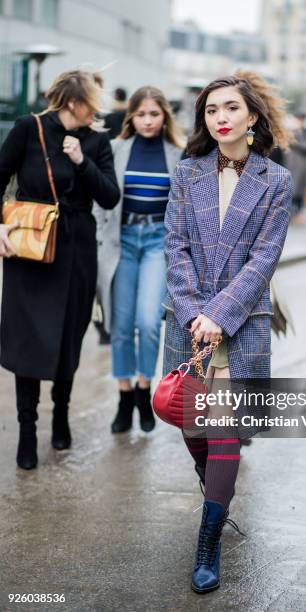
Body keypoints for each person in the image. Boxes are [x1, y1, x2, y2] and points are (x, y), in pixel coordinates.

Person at [163, 73, 292, 593]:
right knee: (194, 429)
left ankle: (209, 537)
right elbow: (175, 248)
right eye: (212, 109)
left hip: (243, 320)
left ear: (252, 117)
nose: (220, 117)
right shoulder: (187, 172)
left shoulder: (275, 180)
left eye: (231, 107)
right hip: (189, 320)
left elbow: (264, 259)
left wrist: (221, 314)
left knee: (226, 431)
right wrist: (197, 314)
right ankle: (216, 492)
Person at [0, 69, 120, 470]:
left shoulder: (96, 141)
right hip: (31, 249)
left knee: (70, 333)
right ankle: (28, 430)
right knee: (27, 338)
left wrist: (82, 161)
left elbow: (109, 196)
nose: (98, 109)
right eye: (93, 101)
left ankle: (62, 415)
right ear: (74, 101)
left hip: (77, 251)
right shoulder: (27, 129)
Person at [95, 87, 183, 434]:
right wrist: (101, 233)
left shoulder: (178, 155)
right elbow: (99, 198)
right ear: (131, 116)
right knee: (119, 325)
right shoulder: (115, 149)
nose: (147, 121)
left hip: (157, 243)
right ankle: (123, 395)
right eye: (141, 114)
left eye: (154, 114)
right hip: (121, 242)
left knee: (148, 322)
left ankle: (144, 389)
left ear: (165, 117)